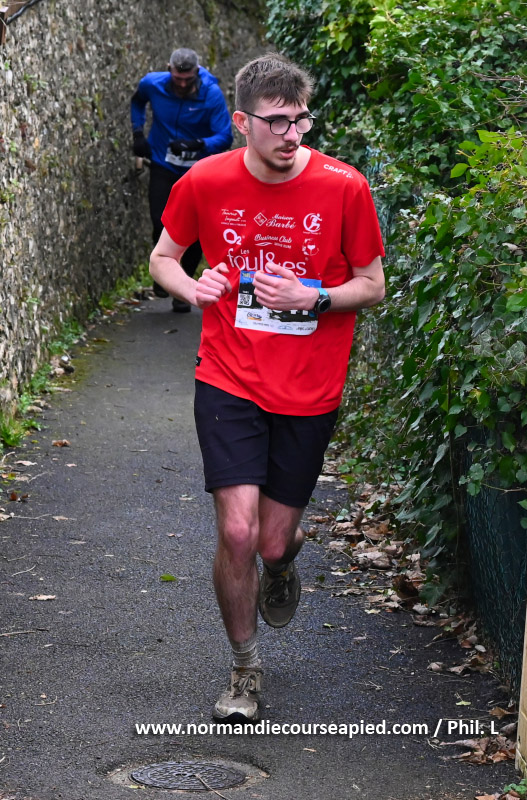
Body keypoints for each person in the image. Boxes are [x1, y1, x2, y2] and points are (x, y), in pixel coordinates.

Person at [150, 53, 386, 722]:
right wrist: (194, 286)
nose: (291, 134)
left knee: (272, 542)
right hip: (228, 376)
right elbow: (164, 258)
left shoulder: (344, 187)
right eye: (277, 121)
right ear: (242, 121)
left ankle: (282, 563)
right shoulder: (205, 181)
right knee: (237, 530)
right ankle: (244, 669)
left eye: (300, 120)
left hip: (310, 388)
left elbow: (373, 284)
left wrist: (315, 298)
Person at [131, 47, 233, 311]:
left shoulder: (211, 94)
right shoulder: (152, 84)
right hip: (163, 164)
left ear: (197, 72)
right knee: (160, 222)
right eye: (178, 79)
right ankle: (162, 273)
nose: (183, 84)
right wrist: (137, 132)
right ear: (169, 70)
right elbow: (137, 101)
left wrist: (197, 143)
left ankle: (182, 286)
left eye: (188, 79)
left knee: (196, 233)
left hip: (198, 172)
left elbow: (225, 136)